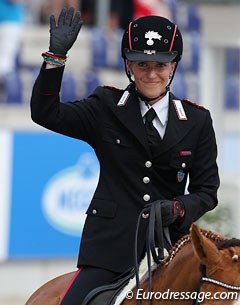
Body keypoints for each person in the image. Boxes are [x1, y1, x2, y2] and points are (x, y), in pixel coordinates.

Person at [30, 7, 220, 305]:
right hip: (109, 251)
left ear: (173, 67)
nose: (152, 73)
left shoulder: (197, 121)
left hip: (168, 250)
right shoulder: (106, 107)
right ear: (129, 66)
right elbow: (46, 113)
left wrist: (178, 207)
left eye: (161, 65)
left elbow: (207, 192)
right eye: (142, 64)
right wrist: (56, 58)